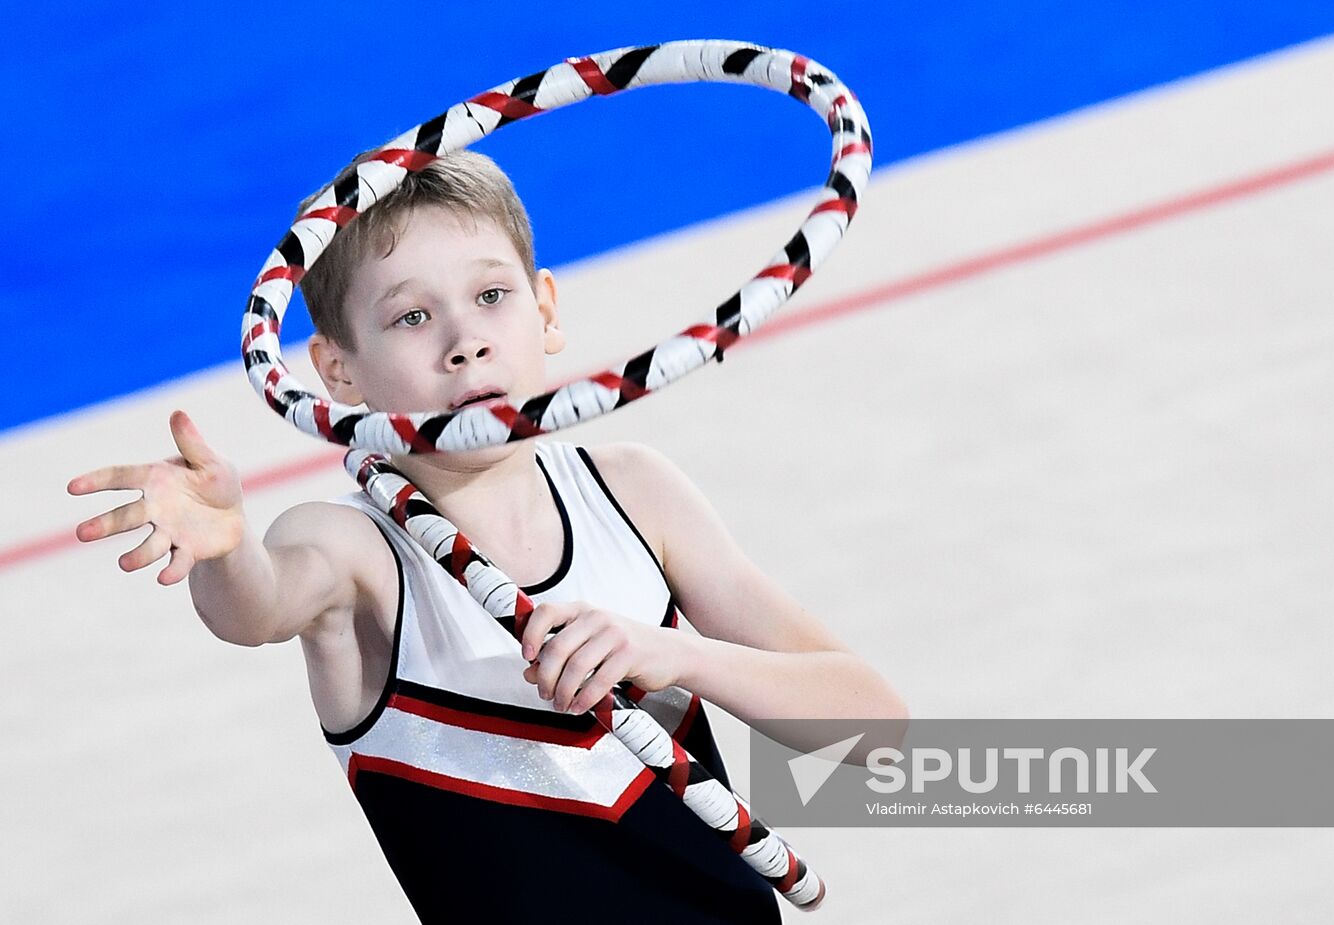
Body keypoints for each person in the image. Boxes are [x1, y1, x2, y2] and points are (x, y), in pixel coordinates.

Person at [67, 150, 908, 923]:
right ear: (336, 370)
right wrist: (224, 550)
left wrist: (676, 654)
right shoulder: (356, 553)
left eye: (491, 297)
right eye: (411, 316)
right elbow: (257, 604)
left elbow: (877, 731)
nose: (464, 341)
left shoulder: (636, 493)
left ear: (546, 310)